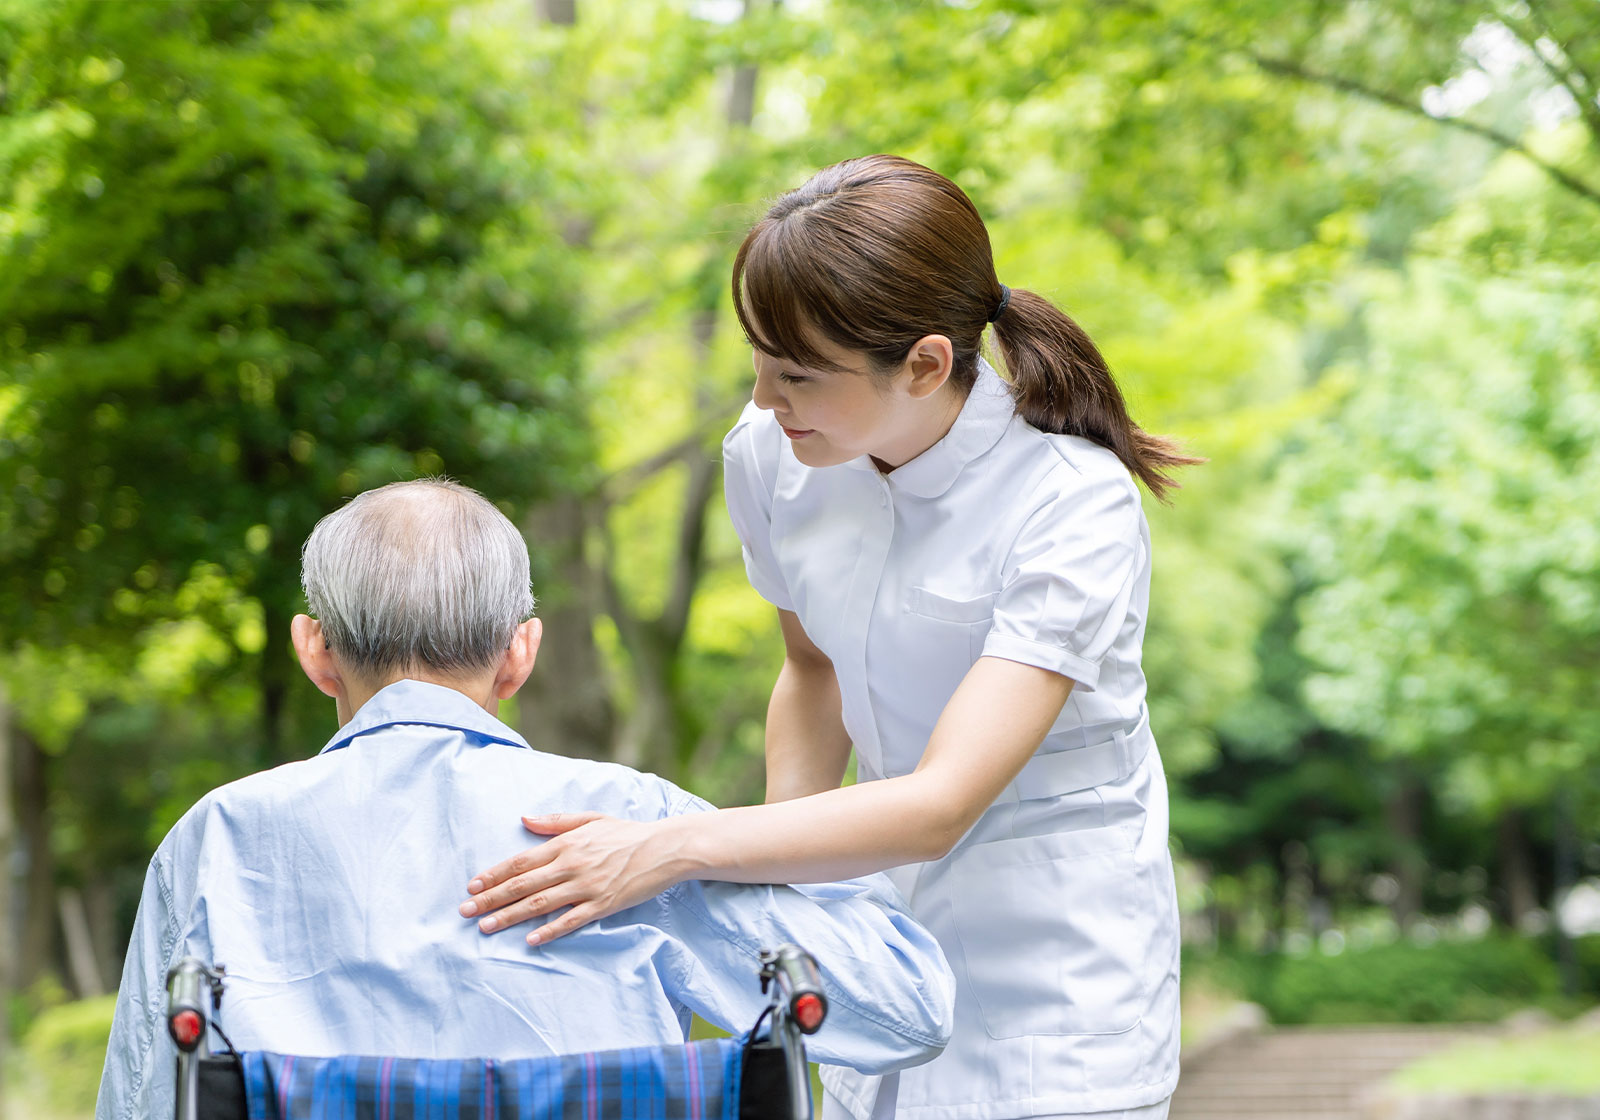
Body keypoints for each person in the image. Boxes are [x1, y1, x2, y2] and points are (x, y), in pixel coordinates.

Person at [461, 155, 1193, 1120]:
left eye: (798, 373)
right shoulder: (775, 457)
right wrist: (775, 902)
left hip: (1057, 984)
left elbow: (939, 803)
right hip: (873, 953)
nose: (766, 399)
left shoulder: (1069, 503)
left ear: (926, 364)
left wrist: (681, 848)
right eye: (758, 360)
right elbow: (810, 670)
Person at [95, 478, 955, 1120]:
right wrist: (696, 843)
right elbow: (907, 1010)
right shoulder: (626, 832)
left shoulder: (217, 839)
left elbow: (140, 1097)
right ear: (521, 654)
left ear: (315, 652)